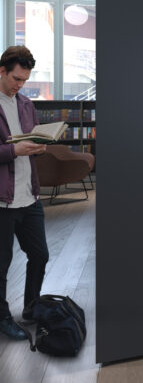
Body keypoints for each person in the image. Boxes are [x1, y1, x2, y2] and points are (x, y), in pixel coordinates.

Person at [0, 46, 48, 340]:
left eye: (24, 80)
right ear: (1, 70)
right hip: (2, 200)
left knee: (40, 255)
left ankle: (31, 306)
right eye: (16, 78)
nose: (20, 85)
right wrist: (12, 150)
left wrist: (39, 146)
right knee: (1, 264)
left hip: (29, 195)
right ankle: (3, 317)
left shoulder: (26, 105)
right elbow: (13, 149)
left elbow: (31, 140)